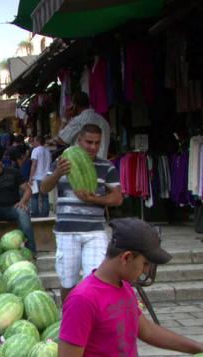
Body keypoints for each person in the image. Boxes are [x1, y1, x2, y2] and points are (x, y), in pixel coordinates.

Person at [58, 218, 203, 357]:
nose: (146, 271)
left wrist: (198, 348)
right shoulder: (82, 300)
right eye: (145, 264)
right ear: (126, 257)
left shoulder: (124, 286)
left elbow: (148, 332)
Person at [41, 124, 122, 303]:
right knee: (67, 282)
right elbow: (44, 188)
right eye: (88, 142)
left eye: (97, 143)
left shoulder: (106, 166)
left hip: (95, 231)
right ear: (79, 141)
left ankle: (93, 323)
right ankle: (69, 319)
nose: (93, 147)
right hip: (66, 231)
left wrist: (94, 199)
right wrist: (58, 173)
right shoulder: (62, 162)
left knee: (94, 281)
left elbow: (117, 198)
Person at [48, 91, 111, 159]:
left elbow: (60, 139)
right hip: (102, 165)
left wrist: (65, 119)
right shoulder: (104, 122)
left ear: (74, 106)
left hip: (84, 166)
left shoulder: (78, 121)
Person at [29, 136, 51, 217]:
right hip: (46, 178)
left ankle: (35, 215)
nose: (33, 143)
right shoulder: (47, 151)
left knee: (34, 197)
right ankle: (45, 215)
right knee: (45, 197)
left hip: (36, 177)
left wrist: (30, 177)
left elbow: (34, 164)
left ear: (38, 141)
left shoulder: (36, 150)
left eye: (34, 141)